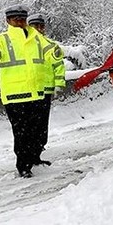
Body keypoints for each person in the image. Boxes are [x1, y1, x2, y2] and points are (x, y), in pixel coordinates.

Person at [0, 4, 61, 177]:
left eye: (22, 19)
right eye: (15, 19)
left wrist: (56, 58)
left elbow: (55, 55)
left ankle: (35, 158)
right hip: (15, 95)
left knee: (38, 131)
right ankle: (23, 166)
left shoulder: (37, 38)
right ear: (8, 20)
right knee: (22, 133)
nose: (19, 22)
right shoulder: (1, 40)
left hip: (38, 92)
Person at [28, 12, 66, 164]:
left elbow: (59, 66)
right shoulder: (23, 46)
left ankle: (36, 154)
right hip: (28, 91)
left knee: (41, 126)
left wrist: (58, 85)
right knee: (29, 126)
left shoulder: (51, 45)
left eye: (41, 26)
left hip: (45, 91)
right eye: (35, 25)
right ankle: (29, 157)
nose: (39, 28)